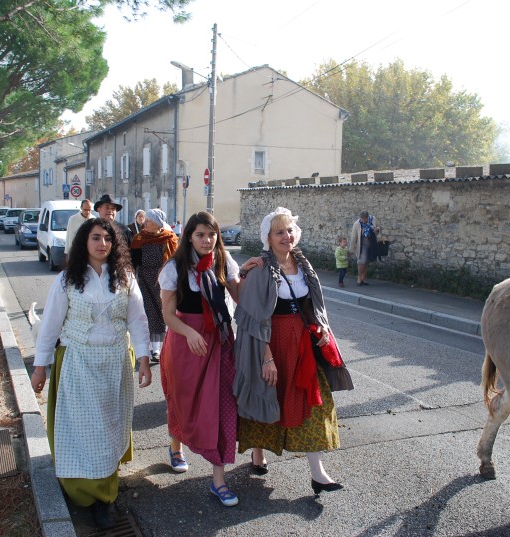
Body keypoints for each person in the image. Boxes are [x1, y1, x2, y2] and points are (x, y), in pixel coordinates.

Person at [30, 218, 152, 529]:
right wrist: (40, 366)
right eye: (96, 237)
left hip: (113, 362)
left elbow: (137, 320)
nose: (102, 243)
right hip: (78, 362)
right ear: (84, 242)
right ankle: (81, 492)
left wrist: (143, 360)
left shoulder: (125, 277)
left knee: (108, 428)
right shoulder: (67, 280)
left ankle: (105, 498)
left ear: (114, 244)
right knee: (82, 429)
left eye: (108, 238)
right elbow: (50, 327)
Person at [233, 206, 343, 496]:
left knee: (312, 402)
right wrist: (266, 358)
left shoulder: (303, 265)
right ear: (267, 238)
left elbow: (314, 305)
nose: (286, 236)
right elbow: (256, 320)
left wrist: (321, 329)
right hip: (272, 342)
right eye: (279, 232)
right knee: (268, 395)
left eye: (290, 230)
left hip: (302, 345)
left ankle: (318, 473)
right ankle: (258, 453)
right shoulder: (259, 270)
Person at [158, 211, 248, 506]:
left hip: (220, 341)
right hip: (186, 343)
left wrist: (253, 272)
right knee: (182, 401)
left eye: (211, 234)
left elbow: (240, 298)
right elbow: (168, 315)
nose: (207, 240)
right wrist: (189, 334)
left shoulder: (224, 261)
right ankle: (176, 445)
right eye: (200, 235)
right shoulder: (175, 268)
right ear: (189, 237)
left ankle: (218, 481)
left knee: (220, 406)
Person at [130, 208, 179, 364]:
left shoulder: (169, 238)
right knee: (149, 313)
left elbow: (175, 260)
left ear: (158, 223)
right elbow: (134, 262)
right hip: (144, 280)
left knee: (165, 312)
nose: (145, 223)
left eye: (149, 221)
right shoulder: (139, 239)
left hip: (165, 281)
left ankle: (168, 345)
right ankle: (155, 348)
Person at [349, 210, 381, 286]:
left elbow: (379, 227)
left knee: (367, 260)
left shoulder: (373, 219)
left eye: (365, 219)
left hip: (372, 243)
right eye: (362, 219)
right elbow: (353, 237)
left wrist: (377, 229)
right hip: (362, 244)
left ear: (367, 217)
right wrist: (351, 250)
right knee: (361, 261)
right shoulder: (357, 224)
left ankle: (363, 278)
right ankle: (359, 278)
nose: (363, 221)